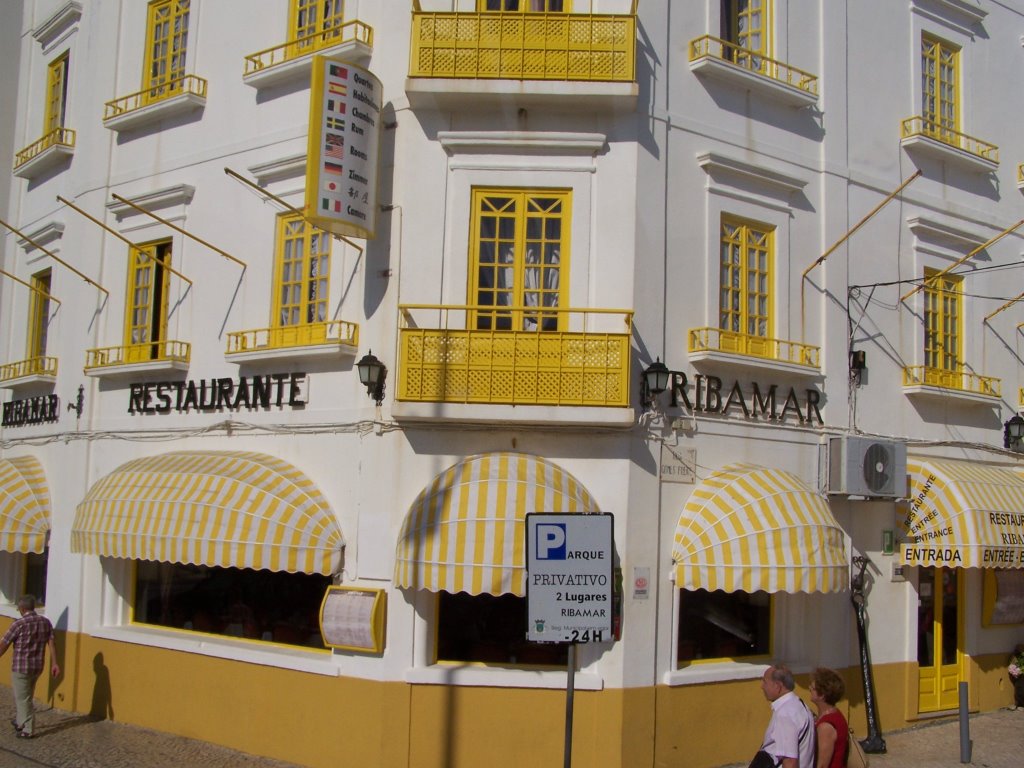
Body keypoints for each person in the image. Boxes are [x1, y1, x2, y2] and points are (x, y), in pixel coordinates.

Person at [0, 595, 59, 738]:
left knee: (22, 698)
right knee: (27, 695)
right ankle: (20, 721)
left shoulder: (19, 624)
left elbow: (4, 643)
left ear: (22, 608)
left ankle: (28, 729)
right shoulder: (45, 622)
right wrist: (55, 663)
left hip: (21, 666)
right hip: (38, 666)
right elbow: (51, 643)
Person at [759, 663, 816, 768]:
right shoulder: (799, 705)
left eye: (765, 682)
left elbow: (790, 761)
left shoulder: (785, 714)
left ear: (777, 686)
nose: (762, 686)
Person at [809, 667, 849, 768]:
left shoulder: (826, 726)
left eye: (813, 688)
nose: (809, 688)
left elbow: (822, 765)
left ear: (822, 695)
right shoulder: (835, 713)